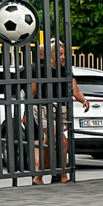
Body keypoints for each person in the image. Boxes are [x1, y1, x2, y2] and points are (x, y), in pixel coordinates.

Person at [31, 40, 88, 185]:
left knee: (48, 141)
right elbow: (33, 89)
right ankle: (63, 174)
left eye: (65, 54)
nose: (63, 57)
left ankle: (38, 176)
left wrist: (83, 100)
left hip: (60, 109)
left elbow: (74, 89)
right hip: (43, 108)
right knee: (62, 141)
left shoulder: (66, 70)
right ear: (52, 54)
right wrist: (28, 107)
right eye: (60, 54)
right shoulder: (41, 69)